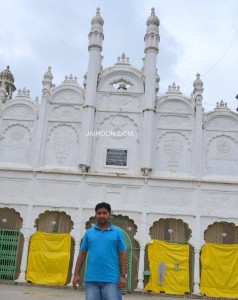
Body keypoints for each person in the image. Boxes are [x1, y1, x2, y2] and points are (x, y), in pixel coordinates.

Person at [72, 202, 127, 300]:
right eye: (99, 213)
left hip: (111, 279)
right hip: (91, 279)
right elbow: (82, 254)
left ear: (110, 215)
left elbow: (123, 254)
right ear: (95, 215)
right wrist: (76, 274)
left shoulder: (118, 233)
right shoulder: (89, 233)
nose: (101, 215)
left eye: (104, 213)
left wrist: (123, 275)